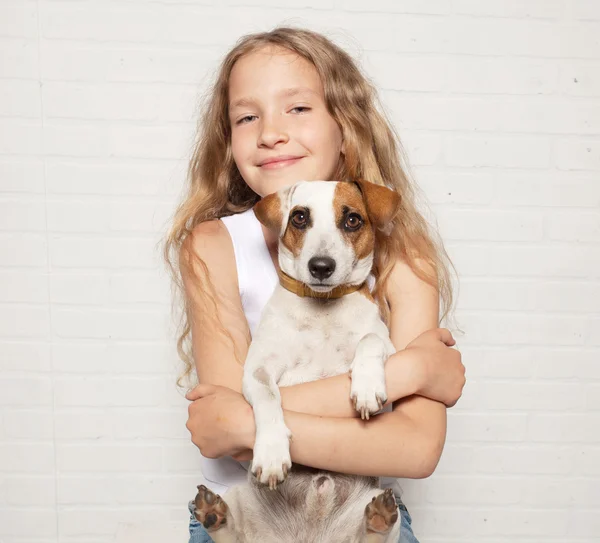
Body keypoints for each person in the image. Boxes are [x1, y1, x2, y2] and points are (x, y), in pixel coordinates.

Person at [163, 27, 465, 543]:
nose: (270, 132)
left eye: (297, 109)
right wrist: (406, 371)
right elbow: (224, 431)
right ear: (228, 138)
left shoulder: (402, 253)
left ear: (345, 127)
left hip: (357, 517)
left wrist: (256, 418)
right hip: (250, 518)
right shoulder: (213, 244)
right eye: (246, 116)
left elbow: (416, 451)